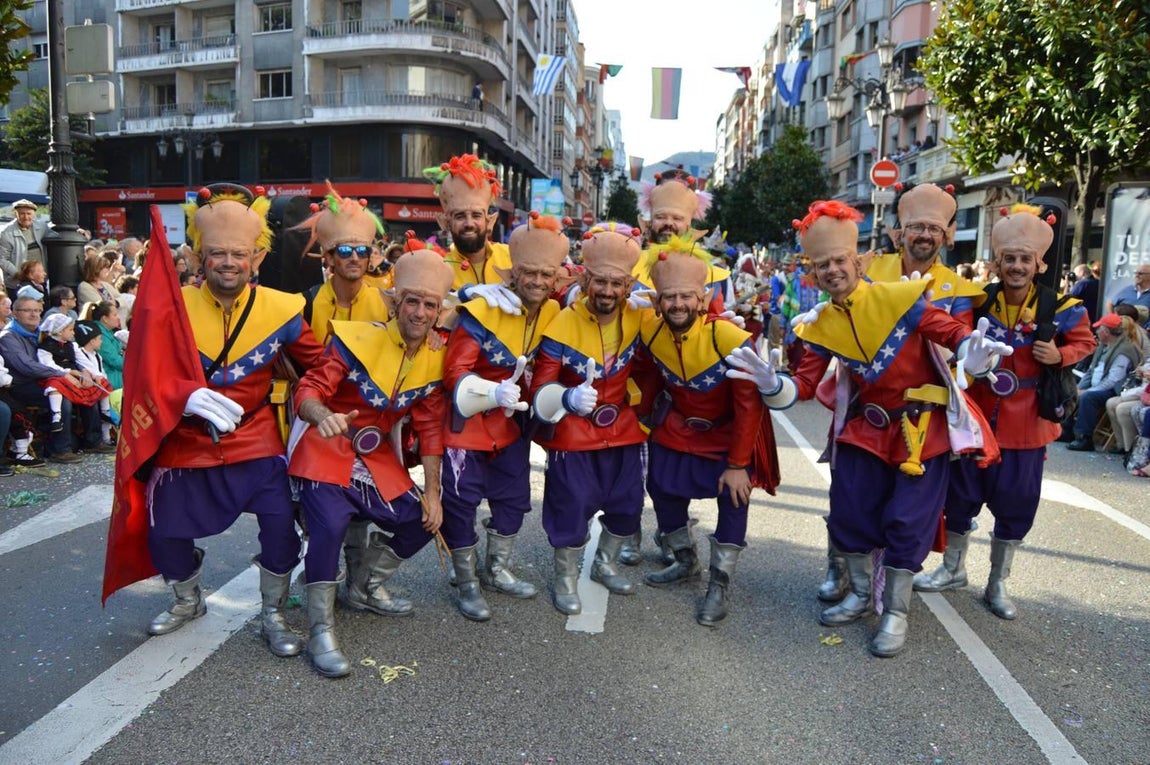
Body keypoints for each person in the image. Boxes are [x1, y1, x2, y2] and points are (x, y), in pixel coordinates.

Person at [724, 200, 1011, 657]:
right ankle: (859, 594)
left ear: (858, 261)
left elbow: (951, 332)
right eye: (823, 265)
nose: (833, 270)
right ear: (812, 273)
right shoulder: (818, 323)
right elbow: (802, 384)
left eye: (840, 261)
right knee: (849, 513)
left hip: (921, 433)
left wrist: (972, 355)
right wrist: (770, 382)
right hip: (865, 431)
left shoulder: (900, 298)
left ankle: (895, 612)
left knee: (908, 521)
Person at [142, 183, 325, 659]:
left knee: (282, 528)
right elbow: (145, 373)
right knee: (162, 529)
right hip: (186, 438)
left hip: (256, 439)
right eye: (217, 253)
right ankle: (187, 600)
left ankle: (273, 611)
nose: (228, 262)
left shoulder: (283, 310)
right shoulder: (172, 306)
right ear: (200, 257)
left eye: (239, 254)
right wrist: (182, 397)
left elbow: (321, 364)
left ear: (257, 258)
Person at [808, 183, 989, 604]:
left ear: (947, 234)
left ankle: (891, 600)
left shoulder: (957, 290)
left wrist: (969, 363)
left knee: (908, 512)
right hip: (859, 403)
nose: (923, 235)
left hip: (921, 414)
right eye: (914, 227)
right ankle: (841, 570)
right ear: (897, 232)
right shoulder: (866, 267)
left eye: (932, 228)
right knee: (850, 495)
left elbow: (958, 344)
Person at [915, 204, 1096, 620]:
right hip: (976, 420)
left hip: (1028, 425)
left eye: (1024, 259)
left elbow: (1085, 343)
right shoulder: (979, 301)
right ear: (997, 261)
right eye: (1009, 258)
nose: (1016, 266)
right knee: (958, 498)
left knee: (1017, 503)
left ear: (1039, 263)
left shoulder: (1062, 306)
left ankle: (997, 583)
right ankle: (953, 568)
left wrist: (1060, 353)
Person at [289, 248, 452, 678]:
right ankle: (320, 630)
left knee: (426, 521)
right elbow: (307, 389)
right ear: (395, 302)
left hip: (375, 459)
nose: (419, 312)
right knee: (329, 527)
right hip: (326, 450)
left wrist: (432, 492)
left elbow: (432, 429)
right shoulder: (354, 338)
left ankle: (362, 586)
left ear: (439, 311)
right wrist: (323, 416)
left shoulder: (438, 355)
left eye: (429, 304)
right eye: (411, 301)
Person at [636, 245, 785, 626]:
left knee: (734, 496)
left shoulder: (730, 337)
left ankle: (719, 583)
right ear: (657, 300)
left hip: (727, 434)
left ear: (703, 299)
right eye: (669, 296)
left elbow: (749, 406)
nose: (678, 303)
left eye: (686, 295)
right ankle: (685, 561)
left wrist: (738, 465)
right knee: (661, 485)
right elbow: (649, 379)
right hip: (678, 426)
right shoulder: (650, 330)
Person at [440, 212, 571, 621]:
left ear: (556, 279)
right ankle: (467, 581)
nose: (535, 281)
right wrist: (490, 391)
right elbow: (454, 373)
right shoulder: (483, 310)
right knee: (460, 502)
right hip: (468, 422)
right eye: (527, 272)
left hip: (511, 425)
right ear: (513, 272)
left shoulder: (554, 312)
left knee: (513, 499)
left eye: (544, 274)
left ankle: (496, 568)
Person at [530, 222, 648, 616]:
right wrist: (566, 396)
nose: (608, 291)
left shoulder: (638, 316)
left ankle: (605, 563)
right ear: (585, 277)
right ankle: (565, 578)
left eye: (617, 284)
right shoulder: (560, 324)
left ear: (629, 285)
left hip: (622, 429)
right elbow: (539, 389)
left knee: (629, 504)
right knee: (571, 505)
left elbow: (687, 307)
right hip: (573, 432)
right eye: (600, 281)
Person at [295, 182, 391, 345]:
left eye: (361, 251)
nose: (354, 258)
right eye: (345, 251)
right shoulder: (304, 304)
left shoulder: (386, 305)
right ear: (330, 258)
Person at [0, 296, 91, 463]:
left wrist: (83, 372)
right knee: (62, 397)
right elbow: (26, 366)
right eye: (27, 310)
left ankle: (94, 440)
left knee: (88, 389)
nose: (34, 314)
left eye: (37, 310)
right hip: (21, 386)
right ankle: (60, 450)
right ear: (14, 313)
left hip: (48, 380)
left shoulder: (42, 333)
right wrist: (64, 374)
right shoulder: (8, 337)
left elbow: (68, 354)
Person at [423, 154, 517, 309]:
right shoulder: (436, 269)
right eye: (460, 216)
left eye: (476, 215)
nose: (469, 223)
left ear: (490, 221)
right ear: (445, 223)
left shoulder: (513, 258)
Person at [35, 313, 115, 452]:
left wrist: (93, 375)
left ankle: (94, 439)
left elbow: (82, 361)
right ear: (60, 331)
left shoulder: (72, 345)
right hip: (56, 378)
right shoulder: (46, 346)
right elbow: (47, 365)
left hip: (74, 378)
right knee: (61, 398)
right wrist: (68, 372)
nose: (73, 333)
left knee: (91, 394)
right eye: (70, 330)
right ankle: (60, 439)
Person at [1067, 313, 1142, 451]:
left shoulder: (1123, 351)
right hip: (1097, 384)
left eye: (1099, 329)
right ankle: (1066, 430)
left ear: (1106, 332)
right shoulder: (1103, 346)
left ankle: (1085, 437)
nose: (1096, 332)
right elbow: (1091, 371)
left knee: (1088, 397)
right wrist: (1079, 387)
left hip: (1115, 390)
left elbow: (1113, 381)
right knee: (1070, 389)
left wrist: (1086, 391)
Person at [0, 200, 47, 295]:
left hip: (38, 280)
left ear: (34, 214)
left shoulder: (42, 226)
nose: (26, 217)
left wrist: (77, 230)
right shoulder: (6, 232)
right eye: (22, 214)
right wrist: (17, 273)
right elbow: (2, 259)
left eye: (29, 213)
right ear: (15, 214)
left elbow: (56, 233)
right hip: (17, 282)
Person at [90, 301, 125, 390]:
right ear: (105, 319)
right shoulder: (100, 335)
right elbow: (114, 361)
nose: (118, 318)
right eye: (115, 315)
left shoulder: (108, 332)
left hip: (117, 373)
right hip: (110, 377)